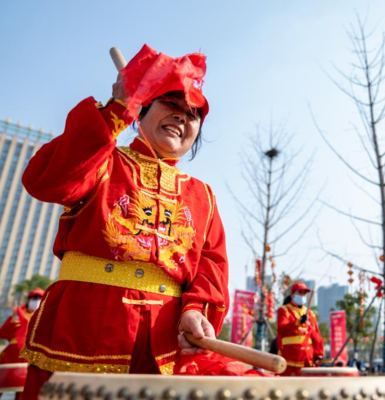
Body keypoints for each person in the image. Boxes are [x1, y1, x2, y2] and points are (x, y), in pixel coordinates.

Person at [19, 45, 229, 398]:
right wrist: (116, 108)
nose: (181, 118)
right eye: (171, 105)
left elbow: (211, 268)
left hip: (161, 346)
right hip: (83, 328)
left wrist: (194, 311)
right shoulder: (103, 160)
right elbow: (47, 179)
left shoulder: (203, 196)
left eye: (192, 115)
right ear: (142, 110)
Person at [276, 282, 324, 376]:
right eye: (300, 293)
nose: (302, 295)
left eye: (304, 293)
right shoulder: (284, 310)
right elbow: (282, 329)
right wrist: (298, 322)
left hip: (307, 357)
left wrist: (318, 354)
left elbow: (316, 335)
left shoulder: (310, 313)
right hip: (290, 356)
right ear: (292, 294)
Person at [0, 289, 44, 364]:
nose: (37, 302)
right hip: (15, 352)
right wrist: (14, 322)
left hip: (34, 354)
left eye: (39, 300)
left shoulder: (43, 317)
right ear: (29, 300)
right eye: (34, 299)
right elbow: (3, 333)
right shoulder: (18, 314)